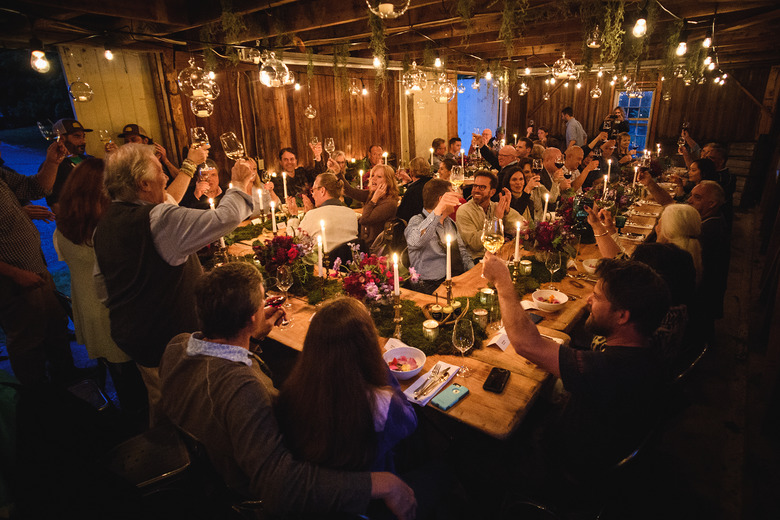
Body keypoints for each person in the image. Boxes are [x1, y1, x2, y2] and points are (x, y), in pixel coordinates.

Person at [159, 263, 416, 519]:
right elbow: (284, 487)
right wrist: (380, 484)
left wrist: (252, 338)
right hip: (247, 501)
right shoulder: (245, 391)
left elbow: (217, 376)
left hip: (200, 483)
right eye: (262, 300)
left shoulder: (176, 347)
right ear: (251, 317)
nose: (265, 305)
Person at [93, 144, 257, 417]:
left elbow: (102, 287)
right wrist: (239, 183)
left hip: (138, 340)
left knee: (160, 402)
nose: (165, 177)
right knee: (185, 413)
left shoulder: (106, 223)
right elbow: (225, 218)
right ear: (143, 184)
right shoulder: (156, 219)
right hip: (170, 344)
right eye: (160, 172)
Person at [482, 253, 671, 476]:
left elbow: (525, 343)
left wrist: (502, 282)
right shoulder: (651, 348)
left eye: (597, 297)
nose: (588, 300)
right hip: (601, 440)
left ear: (622, 316)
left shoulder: (607, 369)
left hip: (569, 469)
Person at [277, 297, 417, 471]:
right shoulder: (380, 402)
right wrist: (379, 366)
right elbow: (410, 422)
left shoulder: (293, 391)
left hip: (319, 482)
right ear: (367, 345)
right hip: (370, 483)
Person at [53, 158, 147, 415]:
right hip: (110, 311)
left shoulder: (65, 225)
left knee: (117, 370)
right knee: (133, 380)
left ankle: (128, 414)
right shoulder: (103, 229)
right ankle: (138, 424)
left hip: (86, 306)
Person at [0, 140, 79, 386]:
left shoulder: (1, 174)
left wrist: (52, 162)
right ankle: (38, 393)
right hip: (12, 277)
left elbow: (34, 188)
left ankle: (66, 379)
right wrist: (15, 274)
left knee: (55, 324)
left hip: (35, 266)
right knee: (26, 337)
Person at [405, 179, 474, 294]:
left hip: (454, 279)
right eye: (452, 195)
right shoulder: (417, 221)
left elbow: (462, 253)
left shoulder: (449, 222)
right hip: (428, 286)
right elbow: (415, 241)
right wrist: (438, 211)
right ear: (441, 200)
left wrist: (473, 274)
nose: (457, 200)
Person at [688, 181, 731, 336]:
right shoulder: (714, 220)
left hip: (701, 299)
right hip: (708, 296)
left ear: (712, 204)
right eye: (691, 195)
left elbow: (690, 269)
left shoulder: (709, 231)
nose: (689, 200)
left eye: (697, 197)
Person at [455, 170, 523, 261]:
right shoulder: (464, 210)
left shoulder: (496, 206)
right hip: (477, 259)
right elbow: (474, 243)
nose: (476, 190)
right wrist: (496, 220)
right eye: (475, 186)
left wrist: (507, 212)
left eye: (482, 187)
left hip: (500, 255)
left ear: (492, 192)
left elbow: (522, 225)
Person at [287, 172, 358, 254]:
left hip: (323, 261)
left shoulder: (313, 215)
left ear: (322, 191)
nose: (312, 195)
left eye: (313, 190)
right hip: (349, 260)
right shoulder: (351, 213)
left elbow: (293, 239)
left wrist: (294, 216)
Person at [336, 164, 400, 248]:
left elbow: (364, 220)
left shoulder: (389, 203)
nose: (373, 178)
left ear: (388, 181)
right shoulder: (373, 194)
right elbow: (350, 191)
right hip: (365, 244)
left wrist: (373, 200)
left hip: (375, 248)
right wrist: (338, 172)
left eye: (379, 176)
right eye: (372, 175)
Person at [43, 118, 93, 212]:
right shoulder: (54, 166)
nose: (83, 141)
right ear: (61, 138)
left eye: (83, 136)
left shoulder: (90, 159)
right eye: (77, 136)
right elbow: (55, 204)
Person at [113, 123, 182, 183]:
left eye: (134, 140)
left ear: (145, 141)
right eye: (126, 141)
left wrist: (166, 161)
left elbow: (180, 179)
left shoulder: (158, 153)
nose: (129, 144)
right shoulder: (126, 160)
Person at [395, 156, 434, 224]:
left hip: (416, 225)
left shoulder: (412, 191)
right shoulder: (433, 183)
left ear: (411, 172)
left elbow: (401, 215)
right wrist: (409, 181)